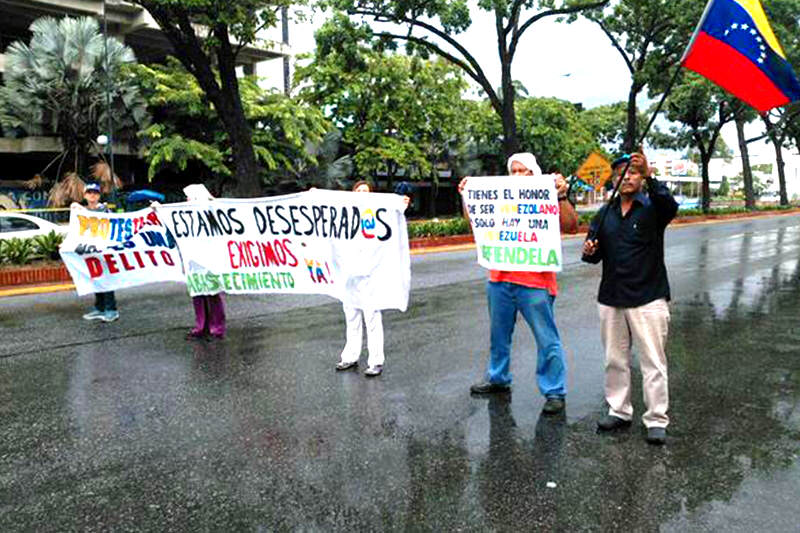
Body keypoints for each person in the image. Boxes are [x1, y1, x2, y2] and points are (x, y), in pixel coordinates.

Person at [458, 153, 578, 415]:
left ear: (535, 174)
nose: (519, 175)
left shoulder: (549, 194)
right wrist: (468, 197)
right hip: (500, 280)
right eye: (514, 170)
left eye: (525, 171)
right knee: (498, 337)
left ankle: (554, 391)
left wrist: (560, 195)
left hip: (536, 283)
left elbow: (571, 226)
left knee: (547, 338)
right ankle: (498, 378)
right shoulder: (502, 197)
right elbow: (476, 223)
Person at [581, 151, 678, 445]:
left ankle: (656, 419)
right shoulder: (605, 213)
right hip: (611, 297)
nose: (628, 177)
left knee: (653, 362)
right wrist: (589, 251)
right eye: (623, 172)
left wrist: (650, 173)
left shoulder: (653, 208)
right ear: (614, 178)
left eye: (634, 172)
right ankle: (619, 410)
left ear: (641, 177)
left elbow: (669, 204)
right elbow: (593, 256)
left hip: (648, 297)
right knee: (615, 360)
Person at [336, 180, 410, 377]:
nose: (362, 193)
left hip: (370, 274)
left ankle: (376, 361)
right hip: (349, 275)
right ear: (352, 193)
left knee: (372, 317)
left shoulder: (377, 211)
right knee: (351, 317)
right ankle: (350, 356)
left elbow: (396, 210)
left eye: (366, 191)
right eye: (358, 190)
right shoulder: (344, 211)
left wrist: (401, 202)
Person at [74, 182, 119, 323]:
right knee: (95, 279)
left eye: (95, 193)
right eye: (89, 192)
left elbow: (112, 225)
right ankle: (99, 308)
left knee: (106, 280)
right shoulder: (80, 212)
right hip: (89, 251)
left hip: (104, 251)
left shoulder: (105, 210)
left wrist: (80, 209)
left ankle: (111, 309)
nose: (92, 195)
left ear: (99, 195)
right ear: (85, 195)